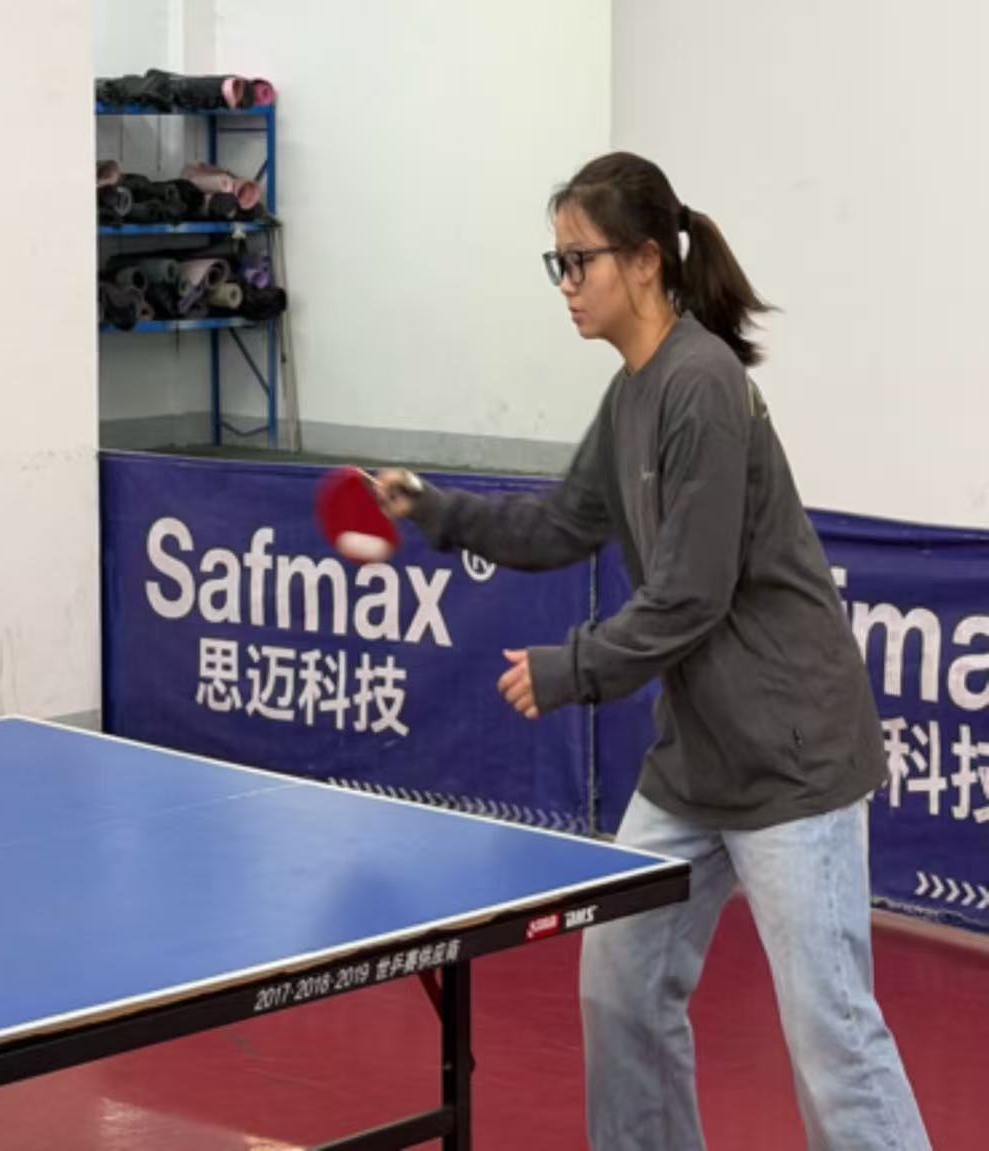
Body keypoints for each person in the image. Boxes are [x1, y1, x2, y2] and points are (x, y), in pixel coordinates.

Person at [373, 152, 928, 1150]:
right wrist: (431, 509)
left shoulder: (700, 385)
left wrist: (569, 668)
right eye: (555, 263)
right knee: (620, 991)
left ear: (641, 260)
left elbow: (689, 595)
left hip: (790, 760)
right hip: (695, 763)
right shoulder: (630, 393)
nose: (565, 283)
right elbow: (560, 522)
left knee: (833, 1037)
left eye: (577, 260)